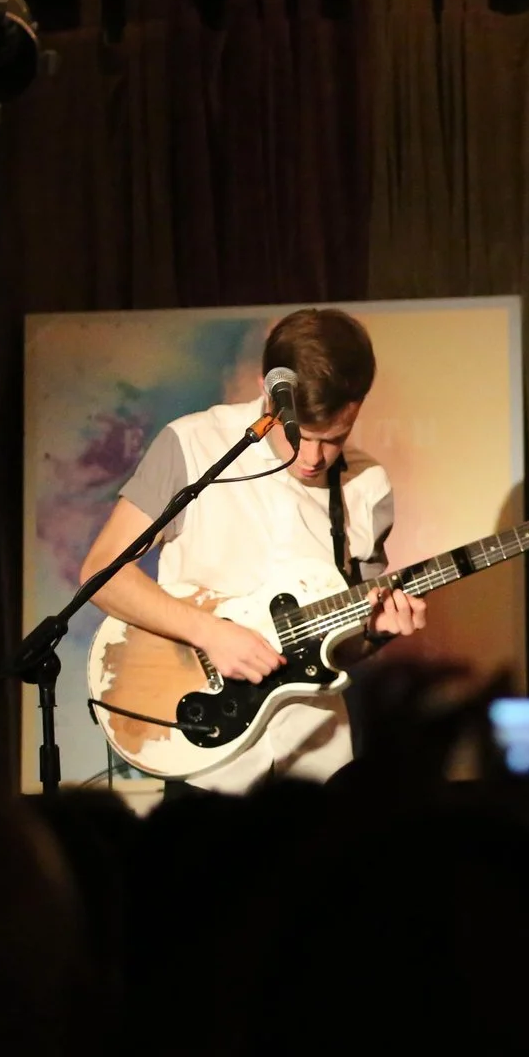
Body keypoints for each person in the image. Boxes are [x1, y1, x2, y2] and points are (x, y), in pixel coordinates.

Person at [80, 308, 425, 791]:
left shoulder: (368, 485)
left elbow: (342, 643)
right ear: (270, 391)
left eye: (335, 439)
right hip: (205, 758)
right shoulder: (192, 443)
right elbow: (101, 571)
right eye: (300, 435)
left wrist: (378, 633)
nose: (313, 458)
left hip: (317, 761)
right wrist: (210, 634)